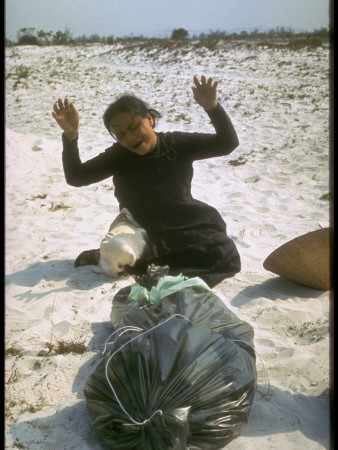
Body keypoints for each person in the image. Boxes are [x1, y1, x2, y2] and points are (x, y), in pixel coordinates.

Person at [52, 75, 241, 288]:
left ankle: (147, 261)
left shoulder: (177, 143)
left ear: (149, 119)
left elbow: (227, 143)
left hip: (183, 222)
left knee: (223, 250)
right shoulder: (118, 155)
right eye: (120, 134)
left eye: (133, 127)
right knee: (116, 254)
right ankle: (104, 255)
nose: (129, 137)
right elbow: (76, 177)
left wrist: (213, 108)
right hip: (137, 225)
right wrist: (70, 136)